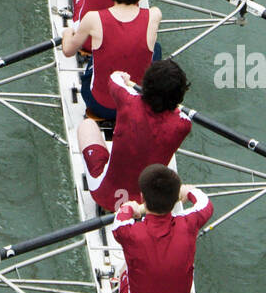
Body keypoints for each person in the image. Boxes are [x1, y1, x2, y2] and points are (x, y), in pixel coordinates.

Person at [113, 165, 212, 293]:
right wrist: (188, 191)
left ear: (142, 197)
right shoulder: (189, 224)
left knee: (124, 269)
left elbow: (119, 221)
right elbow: (206, 203)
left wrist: (132, 208)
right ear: (176, 200)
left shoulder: (128, 233)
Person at [78, 59, 192, 212]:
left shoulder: (127, 99)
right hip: (148, 204)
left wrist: (125, 77)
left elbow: (114, 78)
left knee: (87, 125)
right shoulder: (183, 125)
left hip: (104, 194)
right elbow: (178, 113)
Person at [62, 0, 160, 119]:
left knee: (98, 51)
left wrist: (67, 33)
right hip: (136, 105)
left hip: (99, 105)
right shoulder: (155, 15)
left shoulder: (93, 18)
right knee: (156, 48)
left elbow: (67, 51)